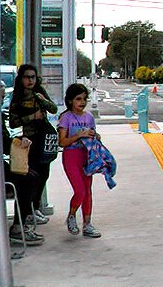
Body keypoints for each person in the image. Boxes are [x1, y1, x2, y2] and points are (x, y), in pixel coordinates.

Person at [6, 65, 58, 245]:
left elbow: (53, 109)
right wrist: (31, 117)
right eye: (27, 77)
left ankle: (35, 207)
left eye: (33, 77)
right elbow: (13, 122)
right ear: (21, 79)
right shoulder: (18, 98)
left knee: (44, 173)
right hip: (28, 140)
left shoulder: (39, 93)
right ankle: (26, 213)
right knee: (31, 175)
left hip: (43, 138)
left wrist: (43, 101)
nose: (30, 80)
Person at [57, 83, 102, 238]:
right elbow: (62, 142)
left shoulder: (89, 117)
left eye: (84, 99)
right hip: (71, 157)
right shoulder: (66, 117)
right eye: (78, 99)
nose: (82, 102)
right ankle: (71, 215)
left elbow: (93, 134)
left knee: (88, 190)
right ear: (70, 101)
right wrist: (78, 135)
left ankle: (87, 224)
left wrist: (95, 136)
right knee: (80, 191)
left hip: (87, 157)